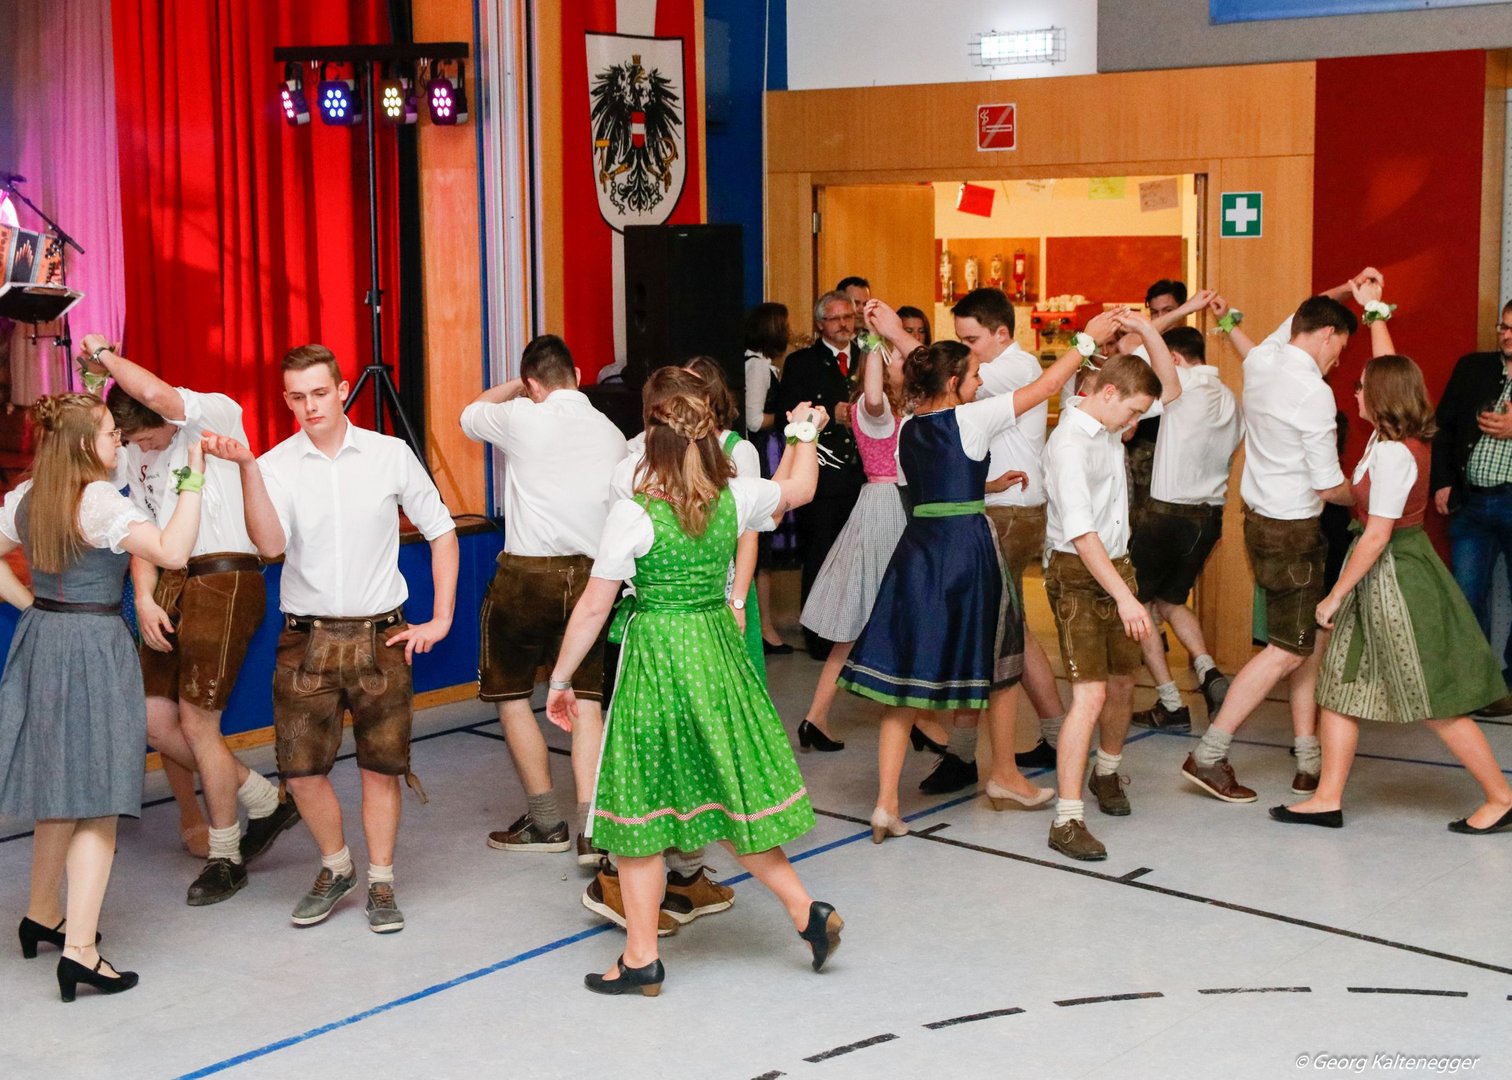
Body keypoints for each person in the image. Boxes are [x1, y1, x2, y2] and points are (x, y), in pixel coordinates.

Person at [545, 368, 842, 996]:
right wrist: (803, 431)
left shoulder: (635, 514)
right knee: (727, 799)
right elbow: (801, 488)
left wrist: (561, 679)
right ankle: (805, 910)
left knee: (638, 812)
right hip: (715, 654)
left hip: (658, 659)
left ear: (651, 436)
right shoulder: (736, 496)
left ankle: (641, 958)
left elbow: (595, 606)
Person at [209, 345, 458, 933]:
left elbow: (443, 531)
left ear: (343, 389)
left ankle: (381, 882)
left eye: (320, 393)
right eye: (297, 397)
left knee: (380, 769)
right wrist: (247, 470)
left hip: (382, 637)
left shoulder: (389, 454)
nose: (310, 406)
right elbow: (271, 546)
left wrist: (442, 618)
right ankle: (336, 866)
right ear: (286, 400)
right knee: (299, 772)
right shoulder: (274, 464)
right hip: (306, 641)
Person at [840, 300, 1095, 841]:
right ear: (953, 382)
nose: (981, 383)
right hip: (966, 550)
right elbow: (1049, 386)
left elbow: (935, 484)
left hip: (918, 551)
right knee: (1001, 659)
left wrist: (987, 484)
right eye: (975, 375)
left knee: (906, 681)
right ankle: (1004, 774)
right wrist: (1087, 341)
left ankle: (886, 804)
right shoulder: (972, 417)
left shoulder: (908, 427)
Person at [77, 335, 298, 906]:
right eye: (127, 439)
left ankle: (226, 856)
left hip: (224, 576)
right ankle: (263, 798)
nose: (137, 446)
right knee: (153, 719)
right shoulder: (134, 453)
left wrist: (103, 358)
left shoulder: (210, 415)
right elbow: (141, 536)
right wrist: (145, 598)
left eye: (145, 435)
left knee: (200, 724)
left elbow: (155, 394)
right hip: (171, 581)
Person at [0, 393, 204, 1000]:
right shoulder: (97, 501)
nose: (119, 439)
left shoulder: (29, 495)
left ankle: (42, 913)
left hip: (44, 638)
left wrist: (31, 605)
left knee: (60, 786)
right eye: (113, 432)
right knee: (97, 798)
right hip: (91, 644)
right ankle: (81, 952)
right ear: (86, 444)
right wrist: (192, 479)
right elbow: (173, 553)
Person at [1273, 353, 1512, 831]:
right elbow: (1368, 499)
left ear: (1382, 396)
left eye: (1362, 386)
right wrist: (1334, 489)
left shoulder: (1392, 452)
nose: (1356, 393)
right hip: (1383, 573)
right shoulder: (1387, 443)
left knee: (1434, 700)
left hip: (1395, 578)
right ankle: (1327, 798)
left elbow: (1378, 534)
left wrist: (1334, 596)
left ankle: (1502, 798)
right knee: (1339, 687)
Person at [1183, 279, 1371, 802]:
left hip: (1259, 522)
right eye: (1339, 347)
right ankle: (1209, 754)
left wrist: (1348, 288)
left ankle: (1308, 756)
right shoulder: (1313, 391)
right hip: (1293, 532)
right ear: (1327, 335)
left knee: (1303, 639)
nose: (1338, 360)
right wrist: (1368, 494)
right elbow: (1328, 485)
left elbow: (1306, 310)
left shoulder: (1264, 358)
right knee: (1287, 649)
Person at [459, 335, 627, 865]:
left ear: (533, 385)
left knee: (511, 695)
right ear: (577, 375)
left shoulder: (521, 416)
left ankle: (545, 820)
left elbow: (469, 413)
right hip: (592, 579)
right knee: (587, 701)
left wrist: (519, 386)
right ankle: (592, 829)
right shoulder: (611, 431)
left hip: (527, 577)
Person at [1042, 319, 1178, 861]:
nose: (1136, 423)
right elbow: (1081, 533)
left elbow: (1171, 387)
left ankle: (1108, 772)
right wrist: (1124, 596)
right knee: (1090, 695)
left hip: (1117, 566)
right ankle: (1066, 820)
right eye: (1133, 412)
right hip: (1078, 572)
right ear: (1107, 392)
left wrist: (1146, 326)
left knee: (1124, 681)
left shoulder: (1109, 424)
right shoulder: (1069, 443)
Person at [954, 286, 1068, 782]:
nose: (966, 352)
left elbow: (945, 377)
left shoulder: (1016, 367)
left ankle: (964, 755)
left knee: (988, 633)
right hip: (1002, 507)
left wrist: (896, 334)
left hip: (1011, 513)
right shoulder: (995, 367)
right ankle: (1056, 735)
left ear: (1002, 334)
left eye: (971, 341)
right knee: (1010, 628)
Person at [794, 338, 909, 753]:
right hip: (886, 508)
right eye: (897, 357)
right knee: (884, 614)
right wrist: (875, 342)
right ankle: (914, 721)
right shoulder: (873, 408)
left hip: (893, 505)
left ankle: (817, 717)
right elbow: (874, 395)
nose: (905, 360)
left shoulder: (900, 410)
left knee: (870, 618)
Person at [1127, 326, 1244, 731]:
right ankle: (1209, 671)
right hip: (1209, 517)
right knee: (1171, 600)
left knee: (1137, 603)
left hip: (1166, 513)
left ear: (1173, 360)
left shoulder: (1175, 390)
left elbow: (1132, 360)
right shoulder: (1230, 399)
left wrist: (1144, 329)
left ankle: (1170, 702)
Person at [1430, 300, 1512, 711]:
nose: (1506, 335)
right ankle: (1479, 687)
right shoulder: (1472, 368)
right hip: (1472, 501)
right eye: (1503, 327)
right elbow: (1443, 429)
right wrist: (1442, 482)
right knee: (1465, 596)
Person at [776, 291, 865, 659]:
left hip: (864, 474)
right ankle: (818, 636)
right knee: (820, 554)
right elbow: (787, 413)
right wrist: (831, 411)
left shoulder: (868, 356)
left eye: (849, 317)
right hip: (822, 477)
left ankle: (858, 633)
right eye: (835, 318)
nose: (844, 324)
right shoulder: (802, 362)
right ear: (819, 324)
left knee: (861, 556)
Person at [743, 302, 797, 655]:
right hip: (763, 455)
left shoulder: (760, 364)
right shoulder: (758, 366)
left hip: (767, 452)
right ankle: (763, 626)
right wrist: (788, 418)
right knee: (761, 545)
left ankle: (764, 624)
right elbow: (752, 420)